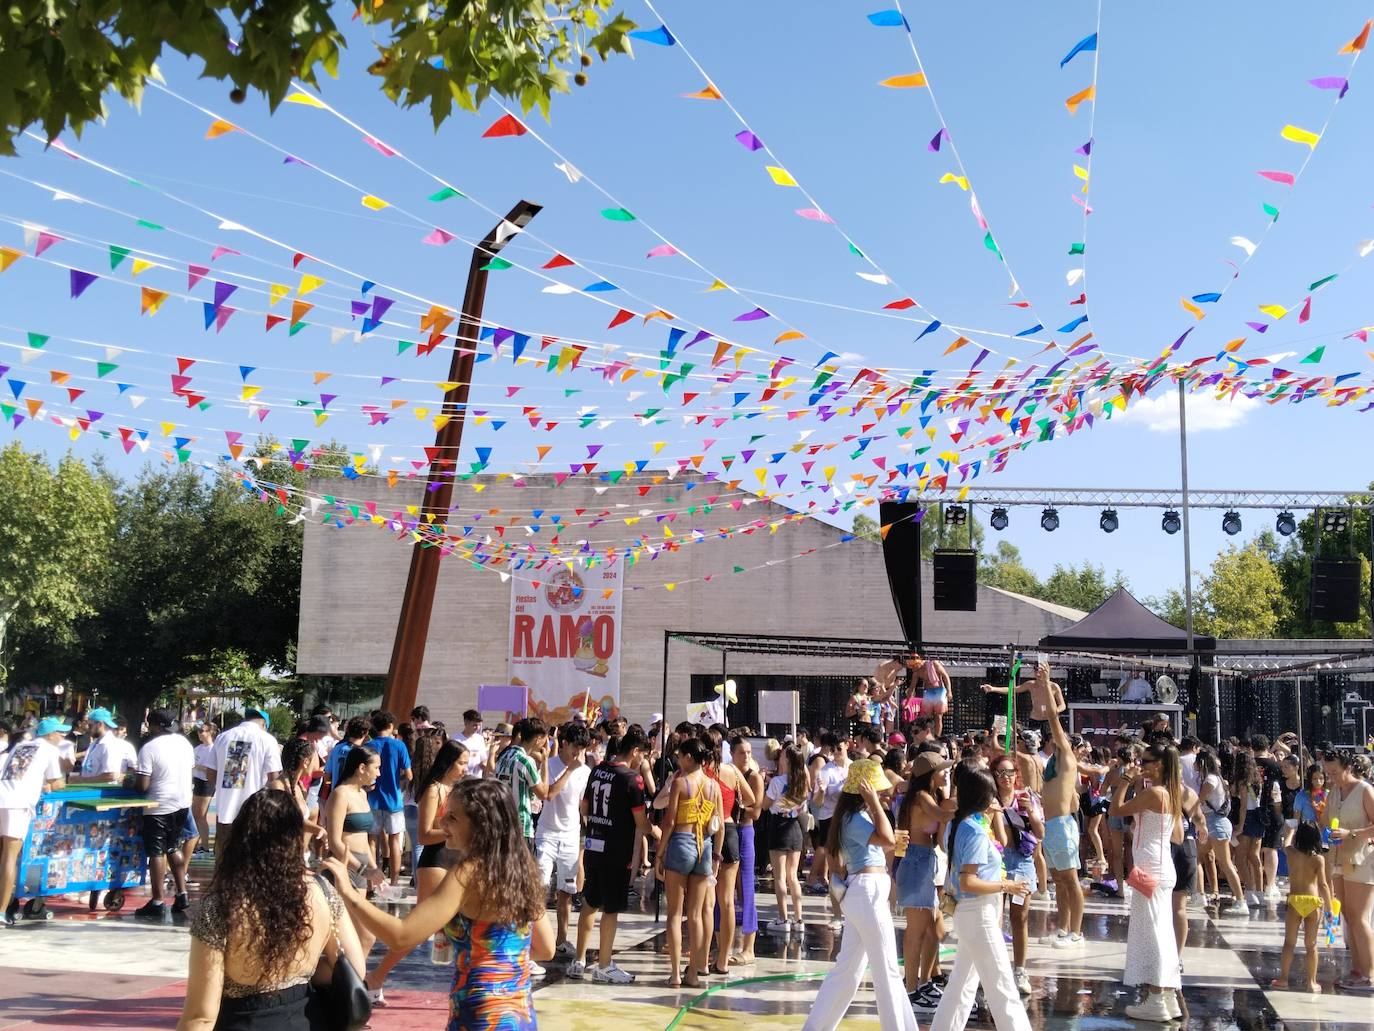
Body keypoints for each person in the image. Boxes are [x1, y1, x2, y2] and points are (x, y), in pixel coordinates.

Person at [324, 779, 554, 1031]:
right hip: (520, 1014)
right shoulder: (521, 870)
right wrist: (495, 956)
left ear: (481, 826)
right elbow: (545, 949)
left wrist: (348, 892)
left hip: (480, 1015)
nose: (442, 823)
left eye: (452, 818)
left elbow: (401, 937)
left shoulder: (467, 874)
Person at [177, 788, 366, 1031]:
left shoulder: (221, 907)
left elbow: (201, 1017)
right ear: (295, 838)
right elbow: (355, 967)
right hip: (307, 1019)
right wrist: (299, 972)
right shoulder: (322, 892)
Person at [802, 758, 914, 1031]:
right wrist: (875, 803)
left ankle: (816, 1027)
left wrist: (876, 806)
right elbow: (887, 840)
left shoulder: (853, 817)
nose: (883, 792)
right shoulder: (855, 818)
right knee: (885, 967)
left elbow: (886, 845)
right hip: (867, 892)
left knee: (848, 971)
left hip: (865, 892)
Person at [930, 761, 1033, 1031]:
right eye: (992, 793)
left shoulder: (961, 824)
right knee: (1002, 987)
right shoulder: (974, 830)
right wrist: (1006, 886)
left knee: (961, 988)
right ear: (983, 797)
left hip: (972, 914)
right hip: (979, 914)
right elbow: (969, 880)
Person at [368, 739, 470, 995]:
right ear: (448, 762)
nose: (465, 769)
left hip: (456, 861)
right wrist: (454, 831)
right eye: (461, 763)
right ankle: (376, 977)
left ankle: (465, 982)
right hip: (436, 863)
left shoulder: (457, 790)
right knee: (417, 929)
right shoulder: (434, 790)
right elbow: (424, 835)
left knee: (463, 927)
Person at [568, 726, 660, 983]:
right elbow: (641, 823)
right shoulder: (632, 779)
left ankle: (579, 959)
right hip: (616, 851)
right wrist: (656, 832)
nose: (643, 760)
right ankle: (605, 964)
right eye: (643, 755)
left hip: (594, 844)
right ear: (635, 751)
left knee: (589, 902)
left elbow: (584, 806)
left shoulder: (598, 770)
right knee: (611, 908)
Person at [1112, 741, 1183, 1023]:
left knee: (1153, 934)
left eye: (1146, 762)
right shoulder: (1170, 792)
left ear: (1160, 765)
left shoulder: (1155, 793)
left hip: (1151, 867)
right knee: (1160, 931)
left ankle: (1156, 997)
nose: (1142, 767)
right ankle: (1164, 997)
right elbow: (1177, 835)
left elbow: (1116, 809)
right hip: (1159, 864)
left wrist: (1126, 780)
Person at [656, 736, 723, 989]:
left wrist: (659, 853)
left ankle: (675, 974)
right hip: (704, 845)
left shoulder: (680, 782)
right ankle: (694, 972)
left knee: (674, 913)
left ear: (688, 758)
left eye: (679, 756)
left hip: (681, 843)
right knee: (695, 915)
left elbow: (670, 821)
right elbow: (717, 824)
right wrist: (716, 854)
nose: (677, 760)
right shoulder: (713, 786)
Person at [897, 750, 954, 1009]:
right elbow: (942, 816)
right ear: (930, 774)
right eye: (942, 770)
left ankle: (923, 981)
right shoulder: (921, 797)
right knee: (916, 931)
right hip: (915, 862)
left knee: (932, 927)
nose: (946, 773)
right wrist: (964, 800)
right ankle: (910, 988)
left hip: (927, 861)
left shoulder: (929, 795)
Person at [0, 716, 68, 925]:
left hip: (3, 796)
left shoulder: (21, 745)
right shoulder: (49, 750)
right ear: (49, 734)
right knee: (9, 857)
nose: (62, 736)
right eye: (59, 732)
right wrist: (47, 784)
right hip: (17, 804)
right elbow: (57, 783)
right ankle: (1, 911)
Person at [534, 723, 591, 958]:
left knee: (566, 891)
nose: (578, 753)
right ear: (564, 743)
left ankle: (561, 939)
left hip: (570, 835)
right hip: (546, 834)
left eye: (582, 748)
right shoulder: (550, 765)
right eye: (575, 747)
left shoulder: (585, 771)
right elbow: (549, 794)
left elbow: (583, 805)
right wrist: (569, 770)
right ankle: (535, 938)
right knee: (540, 886)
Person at [1037, 669, 1084, 947]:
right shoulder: (1053, 765)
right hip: (1051, 826)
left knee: (1070, 879)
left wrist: (1046, 685)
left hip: (1062, 825)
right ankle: (1064, 929)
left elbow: (1054, 719)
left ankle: (1076, 932)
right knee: (1059, 881)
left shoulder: (1067, 758)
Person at [134, 709, 197, 919]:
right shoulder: (184, 744)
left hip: (158, 806)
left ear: (154, 726)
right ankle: (182, 894)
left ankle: (158, 900)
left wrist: (131, 781)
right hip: (182, 803)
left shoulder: (149, 748)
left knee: (157, 852)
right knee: (173, 846)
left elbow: (143, 785)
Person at [991, 752, 1042, 997]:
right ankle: (997, 970)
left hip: (1021, 862)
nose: (1006, 778)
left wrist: (1030, 813)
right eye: (1001, 773)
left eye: (1010, 772)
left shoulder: (1026, 797)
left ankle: (1020, 970)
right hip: (997, 863)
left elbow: (1041, 831)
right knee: (995, 920)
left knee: (1019, 918)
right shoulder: (988, 800)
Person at [1325, 748, 1374, 992]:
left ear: (1347, 767)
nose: (1331, 777)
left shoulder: (1365, 790)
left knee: (1359, 917)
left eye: (1334, 772)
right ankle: (1357, 970)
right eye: (1328, 773)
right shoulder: (1335, 791)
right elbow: (1327, 820)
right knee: (1347, 917)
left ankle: (1369, 974)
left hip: (1362, 859)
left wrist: (1351, 833)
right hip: (1338, 859)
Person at [207, 707, 283, 862]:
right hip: (254, 809)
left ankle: (223, 885)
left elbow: (210, 774)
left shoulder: (222, 737)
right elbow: (274, 776)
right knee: (251, 857)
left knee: (224, 856)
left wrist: (227, 787)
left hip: (225, 810)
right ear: (264, 723)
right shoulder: (267, 739)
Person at [707, 733, 755, 973]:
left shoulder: (702, 773)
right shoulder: (732, 771)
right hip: (731, 829)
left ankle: (703, 957)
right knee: (727, 901)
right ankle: (723, 960)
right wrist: (737, 806)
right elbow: (752, 798)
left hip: (708, 831)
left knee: (706, 901)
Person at [1275, 821, 1334, 993]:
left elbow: (1285, 843)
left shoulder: (1292, 853)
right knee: (1311, 945)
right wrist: (1329, 908)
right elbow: (1323, 885)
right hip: (1313, 902)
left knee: (1289, 943)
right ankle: (1312, 982)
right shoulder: (1318, 859)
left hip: (1294, 900)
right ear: (1316, 838)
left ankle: (1283, 979)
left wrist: (1291, 832)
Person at [729, 734, 765, 967]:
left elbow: (756, 812)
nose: (747, 756)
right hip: (729, 831)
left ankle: (749, 947)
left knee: (746, 887)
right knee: (725, 890)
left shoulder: (754, 778)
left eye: (749, 752)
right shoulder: (729, 773)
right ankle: (725, 942)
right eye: (742, 752)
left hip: (744, 831)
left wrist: (737, 807)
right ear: (732, 754)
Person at [765, 744, 809, 935]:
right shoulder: (802, 783)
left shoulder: (777, 782)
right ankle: (799, 918)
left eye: (783, 756)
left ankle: (783, 918)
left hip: (779, 826)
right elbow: (800, 807)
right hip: (795, 827)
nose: (780, 758)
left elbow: (766, 805)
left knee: (780, 876)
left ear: (788, 760)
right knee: (793, 876)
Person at [1198, 748, 1247, 913]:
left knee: (1225, 864)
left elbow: (1198, 800)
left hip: (1214, 823)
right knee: (1198, 857)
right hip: (1217, 822)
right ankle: (1200, 894)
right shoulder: (1219, 779)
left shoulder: (1210, 780)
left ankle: (1240, 900)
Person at [365, 711, 411, 888]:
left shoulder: (369, 745)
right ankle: (394, 881)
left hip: (372, 799)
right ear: (391, 726)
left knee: (372, 840)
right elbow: (409, 774)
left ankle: (372, 881)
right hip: (394, 800)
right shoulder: (399, 746)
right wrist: (397, 779)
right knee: (394, 840)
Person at [76, 707, 138, 782]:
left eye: (90, 725)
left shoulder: (109, 745)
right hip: (88, 791)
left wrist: (81, 780)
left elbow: (111, 775)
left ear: (99, 724)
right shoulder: (95, 743)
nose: (88, 728)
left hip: (101, 792)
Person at [191, 722, 217, 854]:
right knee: (195, 815)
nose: (199, 733)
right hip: (197, 781)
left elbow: (210, 769)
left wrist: (195, 766)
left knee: (200, 815)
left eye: (202, 731)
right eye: (199, 731)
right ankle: (197, 844)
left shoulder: (213, 749)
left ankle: (205, 846)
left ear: (210, 732)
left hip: (207, 783)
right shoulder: (198, 748)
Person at [453, 710, 488, 780]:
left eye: (479, 725)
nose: (477, 728)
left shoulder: (480, 738)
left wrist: (484, 763)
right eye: (475, 725)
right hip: (461, 780)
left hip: (476, 780)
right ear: (466, 723)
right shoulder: (456, 739)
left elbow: (484, 758)